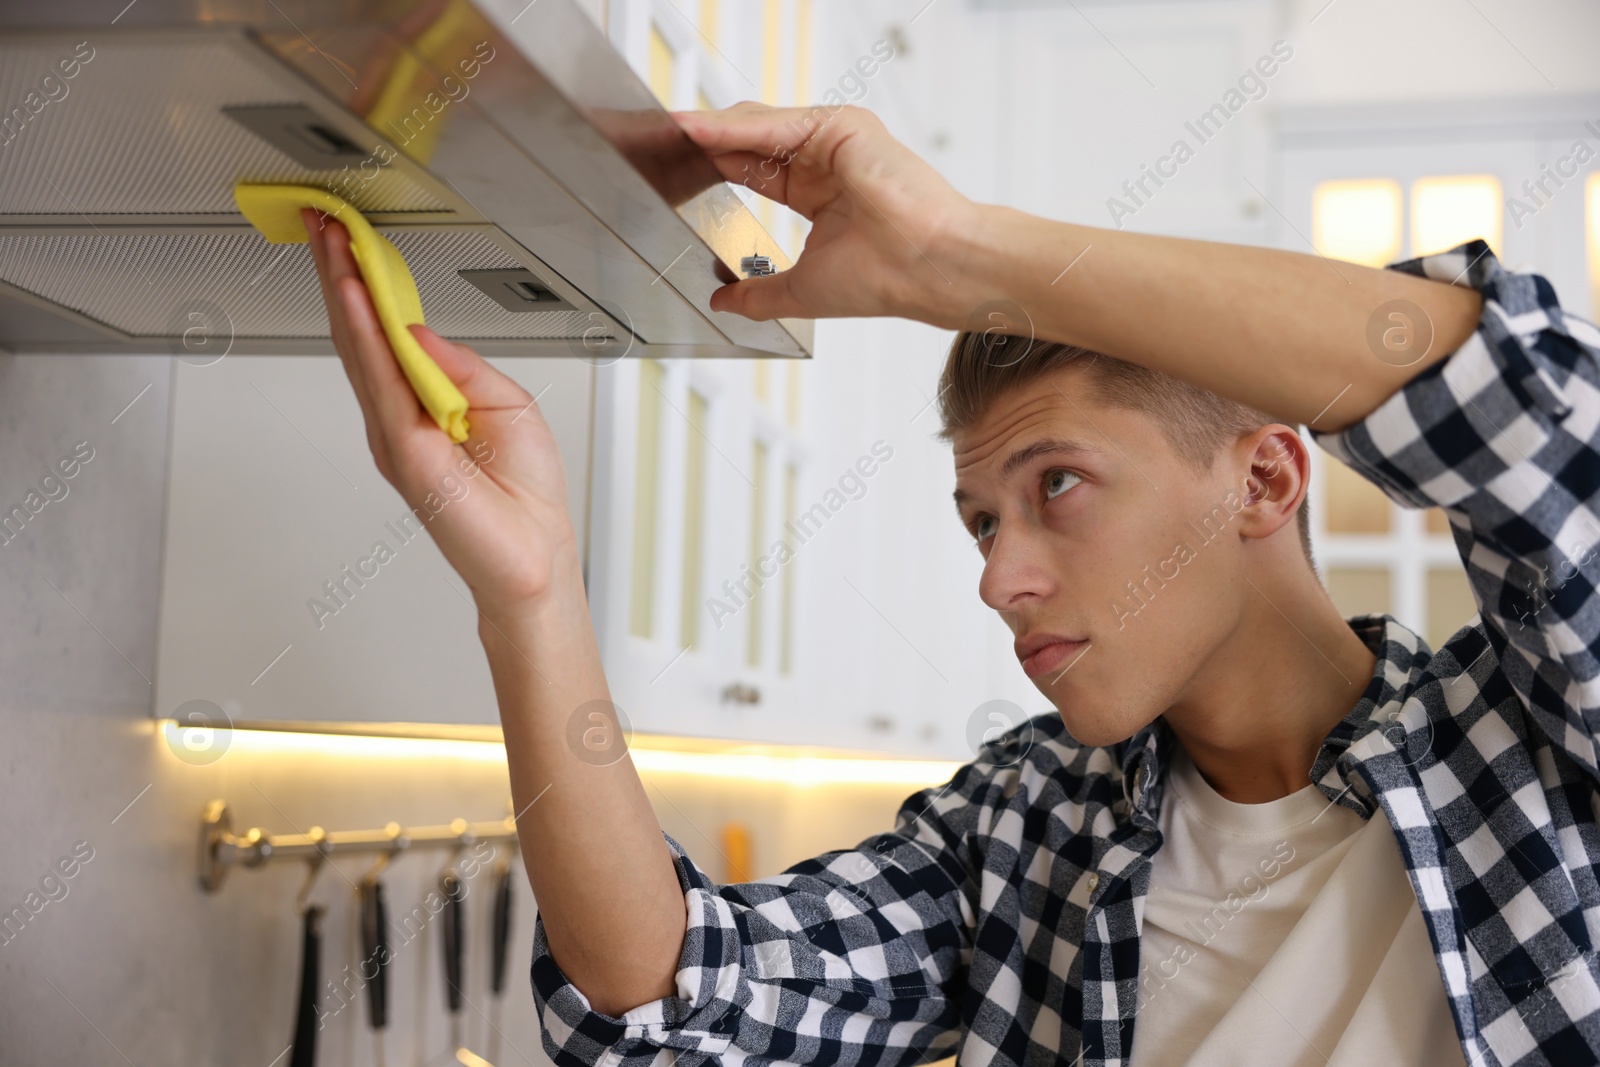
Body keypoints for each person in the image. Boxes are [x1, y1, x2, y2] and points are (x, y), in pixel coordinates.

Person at [299, 101, 1600, 1067]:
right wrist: (531, 601)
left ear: (1263, 482)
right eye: (980, 520)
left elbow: (1537, 411)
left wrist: (958, 254)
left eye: (1058, 486)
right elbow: (672, 1003)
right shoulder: (1027, 829)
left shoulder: (1533, 748)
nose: (1000, 579)